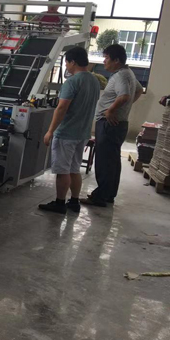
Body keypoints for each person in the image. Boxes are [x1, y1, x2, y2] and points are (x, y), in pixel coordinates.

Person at [39, 46, 100, 214]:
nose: (66, 65)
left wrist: (50, 131)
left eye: (66, 62)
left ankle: (59, 203)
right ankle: (74, 202)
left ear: (73, 62)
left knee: (62, 171)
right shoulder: (94, 81)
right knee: (74, 169)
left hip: (66, 133)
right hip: (83, 133)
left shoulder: (72, 82)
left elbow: (61, 108)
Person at [81, 44, 144, 207]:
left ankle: (100, 196)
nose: (104, 61)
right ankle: (108, 194)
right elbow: (138, 90)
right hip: (118, 124)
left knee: (104, 161)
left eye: (107, 58)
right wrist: (124, 107)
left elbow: (124, 96)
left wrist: (110, 110)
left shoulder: (121, 76)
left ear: (116, 60)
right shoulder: (128, 73)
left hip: (109, 124)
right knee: (112, 161)